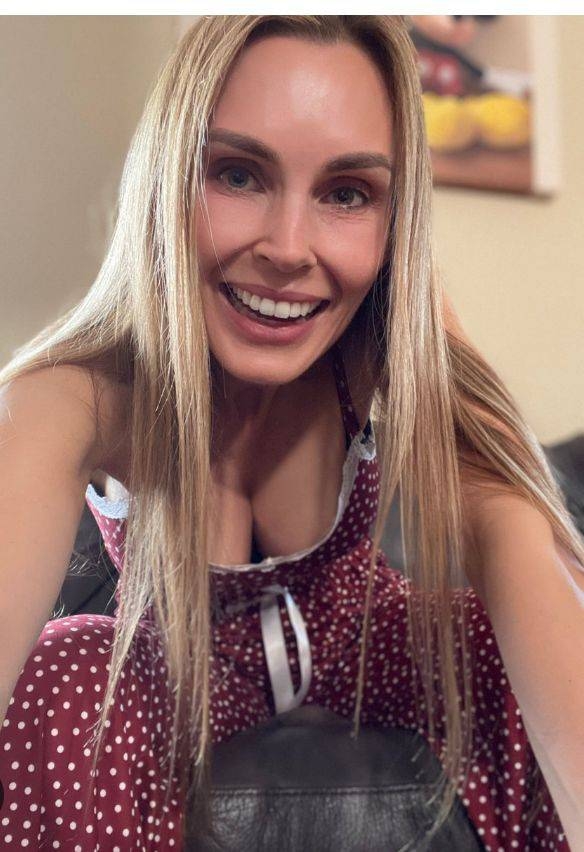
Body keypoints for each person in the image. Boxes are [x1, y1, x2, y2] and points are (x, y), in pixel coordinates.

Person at [0, 15, 582, 851]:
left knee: (485, 641)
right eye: (238, 174)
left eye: (346, 194)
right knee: (65, 668)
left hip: (373, 653)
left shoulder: (385, 336)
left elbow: (510, 525)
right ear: (167, 178)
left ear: (394, 221)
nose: (288, 248)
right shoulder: (83, 394)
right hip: (175, 686)